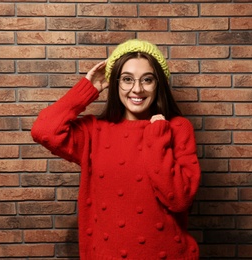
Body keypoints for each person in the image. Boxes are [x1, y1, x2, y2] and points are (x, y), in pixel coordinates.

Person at [31, 39, 201, 260]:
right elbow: (44, 130)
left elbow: (179, 198)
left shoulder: (177, 128)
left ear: (158, 84)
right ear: (115, 82)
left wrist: (157, 136)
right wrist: (88, 88)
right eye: (127, 79)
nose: (137, 89)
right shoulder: (94, 131)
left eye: (147, 80)